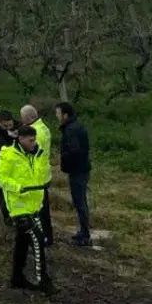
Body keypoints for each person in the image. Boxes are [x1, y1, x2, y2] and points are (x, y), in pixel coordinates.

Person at [0, 125, 56, 294]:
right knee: (38, 239)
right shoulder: (9, 155)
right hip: (18, 206)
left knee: (22, 242)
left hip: (34, 204)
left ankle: (17, 277)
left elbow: (42, 173)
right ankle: (43, 281)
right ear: (20, 139)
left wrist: (47, 180)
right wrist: (17, 187)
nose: (33, 143)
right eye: (30, 140)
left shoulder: (38, 153)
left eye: (34, 139)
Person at [55, 102, 92, 247]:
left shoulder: (71, 129)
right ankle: (83, 232)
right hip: (81, 169)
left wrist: (62, 157)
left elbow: (75, 151)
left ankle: (85, 235)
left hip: (78, 171)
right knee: (80, 202)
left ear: (65, 115)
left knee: (80, 203)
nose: (57, 116)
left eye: (58, 113)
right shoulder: (74, 126)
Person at [21, 104, 54, 247]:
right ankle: (47, 236)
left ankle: (43, 237)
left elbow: (30, 152)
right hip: (44, 174)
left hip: (36, 176)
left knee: (39, 210)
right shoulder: (44, 128)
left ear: (29, 118)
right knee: (43, 209)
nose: (22, 121)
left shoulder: (35, 132)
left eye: (23, 119)